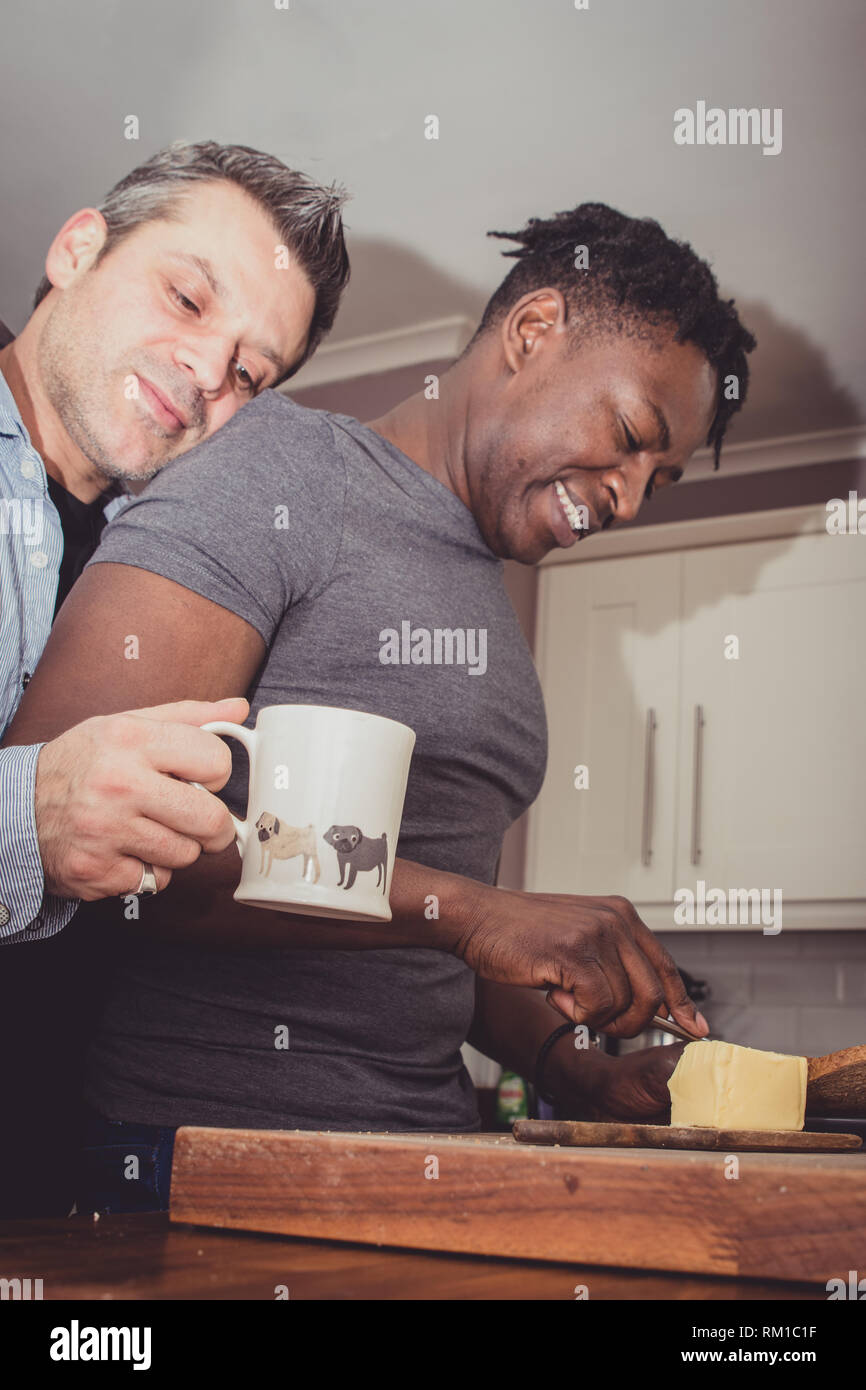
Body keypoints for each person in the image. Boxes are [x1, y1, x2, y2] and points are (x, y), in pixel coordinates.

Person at [7, 201, 756, 1212]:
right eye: (627, 436)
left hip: (427, 1155)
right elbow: (101, 840)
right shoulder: (273, 466)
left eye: (654, 481)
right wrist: (475, 913)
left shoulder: (481, 594)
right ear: (532, 333)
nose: (625, 497)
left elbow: (434, 933)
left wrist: (568, 1059)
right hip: (205, 1163)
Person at [0, 139, 349, 1212]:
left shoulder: (160, 552)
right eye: (188, 297)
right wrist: (32, 813)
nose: (206, 373)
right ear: (75, 250)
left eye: (250, 371)